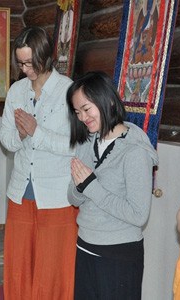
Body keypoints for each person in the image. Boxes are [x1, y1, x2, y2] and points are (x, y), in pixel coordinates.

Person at [0, 26, 78, 300]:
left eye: (30, 63)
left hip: (57, 197)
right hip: (20, 194)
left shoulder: (68, 90)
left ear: (45, 56)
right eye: (20, 63)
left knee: (53, 270)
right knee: (18, 268)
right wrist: (20, 133)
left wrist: (37, 131)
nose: (25, 70)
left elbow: (75, 145)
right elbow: (6, 141)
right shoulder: (16, 91)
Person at [66, 71, 158, 300]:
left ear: (107, 100)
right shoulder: (88, 142)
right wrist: (81, 187)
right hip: (85, 244)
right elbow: (73, 197)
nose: (82, 117)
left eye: (86, 109)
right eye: (77, 112)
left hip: (119, 253)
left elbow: (138, 215)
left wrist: (91, 186)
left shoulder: (135, 151)